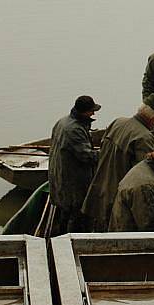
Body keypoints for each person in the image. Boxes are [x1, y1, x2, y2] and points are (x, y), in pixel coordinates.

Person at [82, 94, 154, 232]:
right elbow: (146, 174)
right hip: (116, 197)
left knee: (99, 231)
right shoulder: (144, 137)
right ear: (153, 118)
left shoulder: (117, 122)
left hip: (98, 191)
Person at [48, 95, 100, 234]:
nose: (93, 114)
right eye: (91, 111)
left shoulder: (62, 121)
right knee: (76, 215)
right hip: (72, 181)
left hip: (59, 176)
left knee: (65, 212)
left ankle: (60, 235)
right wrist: (106, 155)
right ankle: (71, 240)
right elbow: (87, 156)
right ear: (84, 112)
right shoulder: (75, 130)